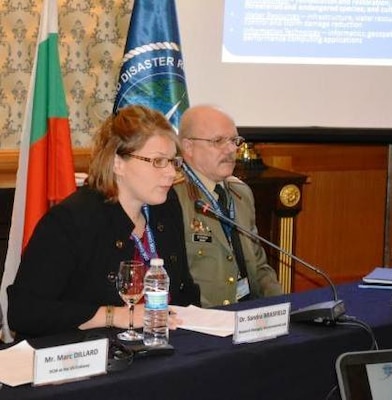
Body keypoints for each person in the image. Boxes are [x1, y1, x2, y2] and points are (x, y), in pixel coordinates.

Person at [7, 104, 200, 340]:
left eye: (173, 162)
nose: (171, 173)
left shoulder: (166, 207)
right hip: (83, 358)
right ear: (118, 163)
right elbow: (25, 312)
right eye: (158, 161)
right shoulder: (71, 219)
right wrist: (115, 316)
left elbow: (184, 291)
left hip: (161, 343)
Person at [174, 104, 282, 308]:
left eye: (234, 141)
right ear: (188, 147)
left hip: (249, 314)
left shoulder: (241, 193)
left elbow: (259, 266)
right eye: (218, 141)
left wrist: (281, 307)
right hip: (206, 321)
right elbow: (175, 281)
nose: (232, 149)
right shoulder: (173, 198)